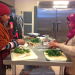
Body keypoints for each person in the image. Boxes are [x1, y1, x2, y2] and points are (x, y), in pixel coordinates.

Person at [0, 3, 25, 75]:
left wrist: (15, 41)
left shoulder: (2, 24)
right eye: (7, 15)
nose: (9, 17)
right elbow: (3, 46)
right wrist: (18, 43)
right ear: (0, 15)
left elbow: (4, 41)